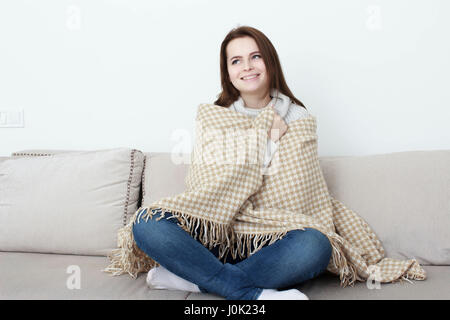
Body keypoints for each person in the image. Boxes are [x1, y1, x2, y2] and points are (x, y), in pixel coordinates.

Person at [132, 26, 332, 300]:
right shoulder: (216, 117)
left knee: (316, 245)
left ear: (270, 62)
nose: (247, 67)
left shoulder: (297, 117)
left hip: (272, 237)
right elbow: (210, 185)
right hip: (219, 232)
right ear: (227, 72)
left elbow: (299, 190)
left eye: (256, 57)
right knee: (147, 223)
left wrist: (264, 140)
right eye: (236, 61)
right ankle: (250, 292)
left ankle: (200, 281)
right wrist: (268, 139)